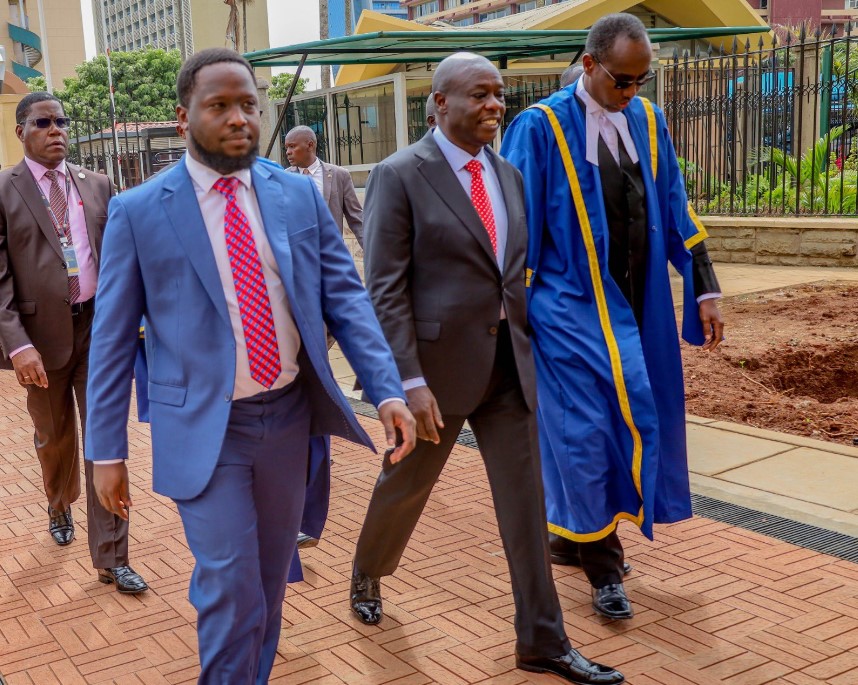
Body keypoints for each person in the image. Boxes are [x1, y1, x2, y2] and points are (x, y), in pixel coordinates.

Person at [84, 48, 416, 684]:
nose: (240, 118)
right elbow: (111, 340)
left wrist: (389, 389)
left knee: (267, 586)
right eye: (220, 106)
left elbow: (344, 296)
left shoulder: (294, 194)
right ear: (184, 118)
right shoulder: (139, 210)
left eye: (248, 105)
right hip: (207, 431)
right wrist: (107, 451)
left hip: (289, 420)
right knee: (232, 589)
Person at [350, 52, 624, 685]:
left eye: (499, 95)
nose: (495, 105)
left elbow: (514, 273)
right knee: (405, 485)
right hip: (434, 378)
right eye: (479, 95)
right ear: (438, 103)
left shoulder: (507, 174)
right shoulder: (399, 174)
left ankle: (543, 641)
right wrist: (407, 381)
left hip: (509, 368)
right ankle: (368, 568)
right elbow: (384, 287)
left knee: (524, 505)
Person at [501, 13, 724, 622]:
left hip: (638, 304)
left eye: (640, 81)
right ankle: (604, 568)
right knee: (585, 435)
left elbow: (676, 203)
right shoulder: (540, 127)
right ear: (589, 64)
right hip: (568, 308)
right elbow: (513, 228)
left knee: (638, 419)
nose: (631, 93)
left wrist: (703, 286)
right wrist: (513, 318)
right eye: (622, 80)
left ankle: (573, 532)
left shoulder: (647, 122)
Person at [0, 92, 148, 595]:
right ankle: (58, 501)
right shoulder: (4, 189)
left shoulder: (98, 185)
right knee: (55, 437)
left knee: (106, 443)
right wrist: (18, 345)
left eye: (62, 121)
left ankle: (112, 556)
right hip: (40, 342)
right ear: (21, 131)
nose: (56, 129)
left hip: (100, 333)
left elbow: (126, 257)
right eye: (44, 122)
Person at [284, 125, 364, 247]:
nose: (288, 152)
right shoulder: (283, 178)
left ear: (310, 145)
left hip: (332, 254)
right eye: (287, 147)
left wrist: (373, 253)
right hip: (298, 256)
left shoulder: (340, 175)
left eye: (292, 146)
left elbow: (356, 219)